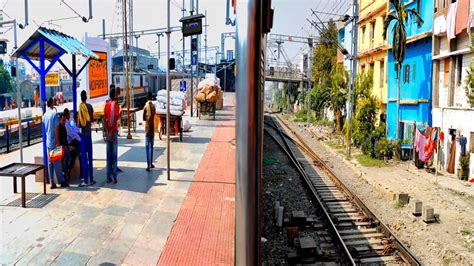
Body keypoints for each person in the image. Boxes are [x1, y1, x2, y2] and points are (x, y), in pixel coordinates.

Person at [43, 98, 69, 189]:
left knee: (50, 162)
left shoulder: (45, 115)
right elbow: (56, 128)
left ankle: (52, 182)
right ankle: (61, 181)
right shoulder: (54, 114)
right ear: (52, 103)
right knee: (57, 161)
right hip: (54, 141)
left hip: (48, 141)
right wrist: (58, 141)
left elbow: (46, 128)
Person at [78, 90, 95, 186]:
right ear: (86, 97)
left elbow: (78, 124)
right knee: (90, 158)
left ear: (81, 97)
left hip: (83, 136)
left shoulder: (80, 108)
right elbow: (92, 119)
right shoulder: (90, 107)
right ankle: (91, 179)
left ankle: (85, 180)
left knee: (84, 158)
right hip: (89, 135)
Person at [104, 87, 120, 184]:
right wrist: (113, 129)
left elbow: (105, 118)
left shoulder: (106, 105)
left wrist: (107, 130)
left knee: (108, 156)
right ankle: (114, 177)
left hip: (107, 132)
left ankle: (108, 177)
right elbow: (117, 117)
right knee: (114, 155)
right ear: (115, 95)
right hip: (113, 132)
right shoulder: (116, 105)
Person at [66, 111, 82, 179]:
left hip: (73, 141)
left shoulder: (72, 123)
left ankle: (69, 169)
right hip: (71, 142)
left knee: (76, 154)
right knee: (78, 154)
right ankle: (81, 172)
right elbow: (74, 135)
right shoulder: (71, 124)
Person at [143, 91, 156, 171]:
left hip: (147, 129)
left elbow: (144, 118)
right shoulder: (154, 106)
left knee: (148, 147)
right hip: (152, 128)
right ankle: (151, 163)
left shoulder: (145, 106)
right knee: (152, 146)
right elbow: (154, 115)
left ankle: (148, 165)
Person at [58, 110, 70, 181]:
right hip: (61, 146)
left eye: (65, 120)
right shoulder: (59, 127)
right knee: (67, 153)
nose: (64, 122)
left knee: (73, 152)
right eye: (63, 120)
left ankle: (67, 170)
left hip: (65, 145)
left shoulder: (63, 126)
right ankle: (64, 172)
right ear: (60, 120)